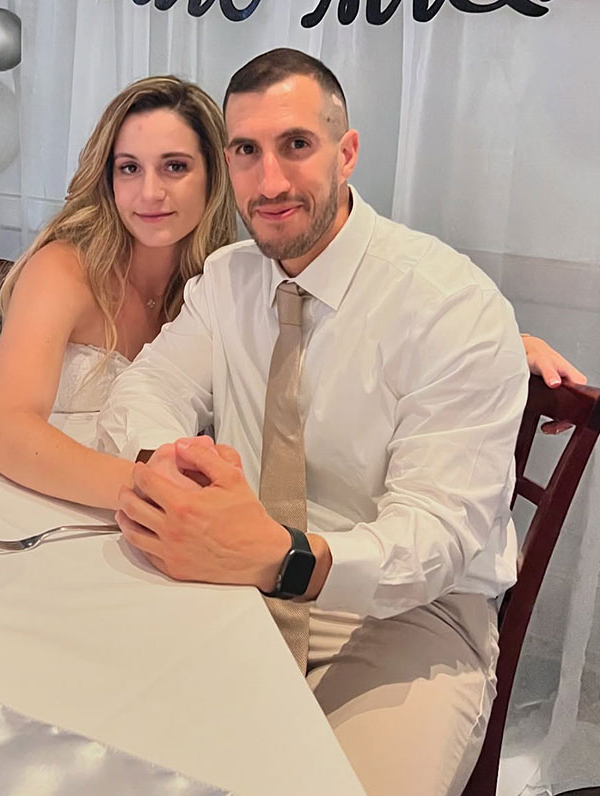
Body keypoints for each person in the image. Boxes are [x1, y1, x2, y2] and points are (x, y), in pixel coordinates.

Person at [96, 49, 586, 795]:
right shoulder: (228, 279)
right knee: (98, 748)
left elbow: (441, 534)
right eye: (247, 152)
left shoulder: (449, 305)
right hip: (236, 582)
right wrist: (176, 464)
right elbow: (145, 389)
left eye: (296, 145)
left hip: (410, 616)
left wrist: (285, 558)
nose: (271, 182)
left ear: (346, 151)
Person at [0, 76, 236, 507]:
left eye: (175, 166)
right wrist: (153, 490)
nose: (150, 193)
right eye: (130, 168)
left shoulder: (223, 281)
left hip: (167, 521)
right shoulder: (64, 268)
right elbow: (4, 435)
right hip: (35, 502)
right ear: (108, 177)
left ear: (214, 175)